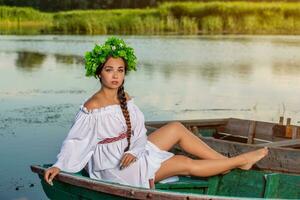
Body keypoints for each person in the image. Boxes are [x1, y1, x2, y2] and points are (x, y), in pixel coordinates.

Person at [44, 37, 268, 189]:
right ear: (99, 73)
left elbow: (138, 130)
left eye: (120, 70)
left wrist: (135, 148)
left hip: (132, 153)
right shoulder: (93, 107)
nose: (115, 76)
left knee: (176, 128)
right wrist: (59, 165)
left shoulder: (125, 97)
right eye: (109, 70)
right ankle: (240, 160)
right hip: (116, 168)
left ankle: (228, 163)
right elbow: (75, 141)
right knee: (182, 162)